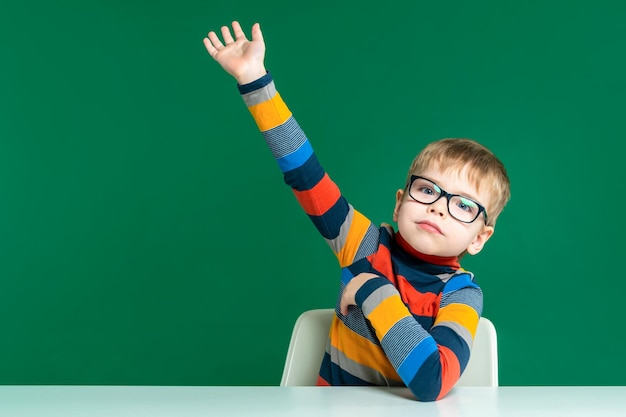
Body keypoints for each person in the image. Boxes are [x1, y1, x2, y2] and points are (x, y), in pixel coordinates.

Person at [203, 21, 511, 401]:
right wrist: (255, 82)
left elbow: (431, 381)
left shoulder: (462, 294)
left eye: (463, 205)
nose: (438, 208)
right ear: (400, 202)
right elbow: (304, 174)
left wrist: (373, 289)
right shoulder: (362, 243)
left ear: (481, 236)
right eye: (427, 190)